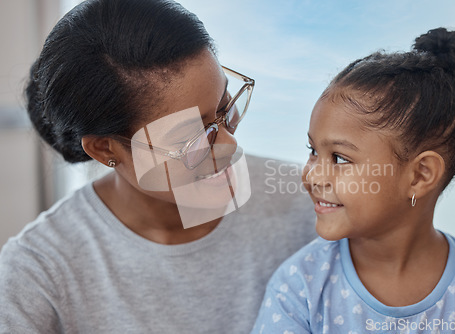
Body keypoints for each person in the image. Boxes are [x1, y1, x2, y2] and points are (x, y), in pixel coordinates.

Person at [0, 0, 317, 333]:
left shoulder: (308, 201)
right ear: (105, 148)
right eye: (190, 136)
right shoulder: (37, 274)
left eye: (225, 107)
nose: (230, 146)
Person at [251, 28, 455, 334]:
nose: (312, 175)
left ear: (420, 176)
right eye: (313, 151)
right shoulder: (299, 288)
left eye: (340, 158)